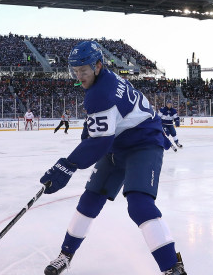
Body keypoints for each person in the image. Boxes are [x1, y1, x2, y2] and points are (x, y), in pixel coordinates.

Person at [39, 41, 186, 275]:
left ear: (97, 66)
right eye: (75, 71)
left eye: (83, 71)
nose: (79, 76)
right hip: (118, 144)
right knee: (89, 200)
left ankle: (172, 267)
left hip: (144, 144)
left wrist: (67, 166)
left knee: (139, 204)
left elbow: (99, 142)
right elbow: (107, 122)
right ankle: (65, 255)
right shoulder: (104, 79)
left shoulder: (100, 92)